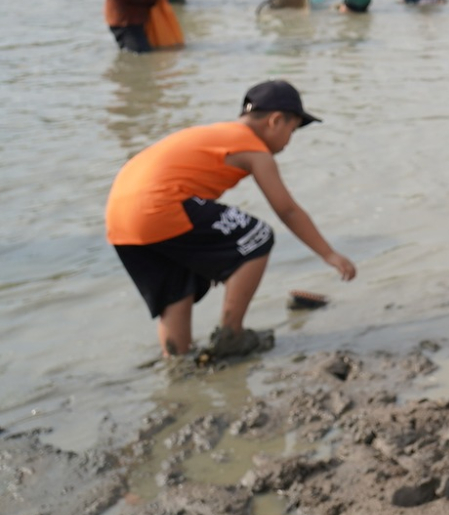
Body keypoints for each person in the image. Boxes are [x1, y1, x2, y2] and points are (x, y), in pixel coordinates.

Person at [106, 81, 355, 359]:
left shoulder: (216, 134)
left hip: (120, 219)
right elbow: (287, 210)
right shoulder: (253, 149)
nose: (289, 141)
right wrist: (328, 253)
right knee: (257, 237)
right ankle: (231, 334)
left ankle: (178, 362)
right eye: (292, 131)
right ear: (275, 121)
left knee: (176, 290)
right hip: (162, 205)